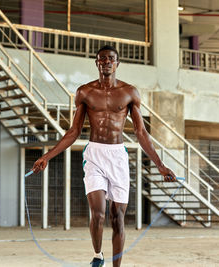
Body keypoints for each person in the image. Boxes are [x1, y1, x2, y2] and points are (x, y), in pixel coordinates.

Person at [32, 45, 176, 267]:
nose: (106, 62)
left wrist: (160, 165)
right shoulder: (85, 92)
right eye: (102, 59)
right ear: (97, 63)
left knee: (117, 217)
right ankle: (98, 256)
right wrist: (47, 156)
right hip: (95, 155)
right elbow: (73, 131)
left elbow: (141, 132)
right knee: (98, 214)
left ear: (117, 63)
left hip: (118, 156)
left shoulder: (130, 92)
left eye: (111, 59)